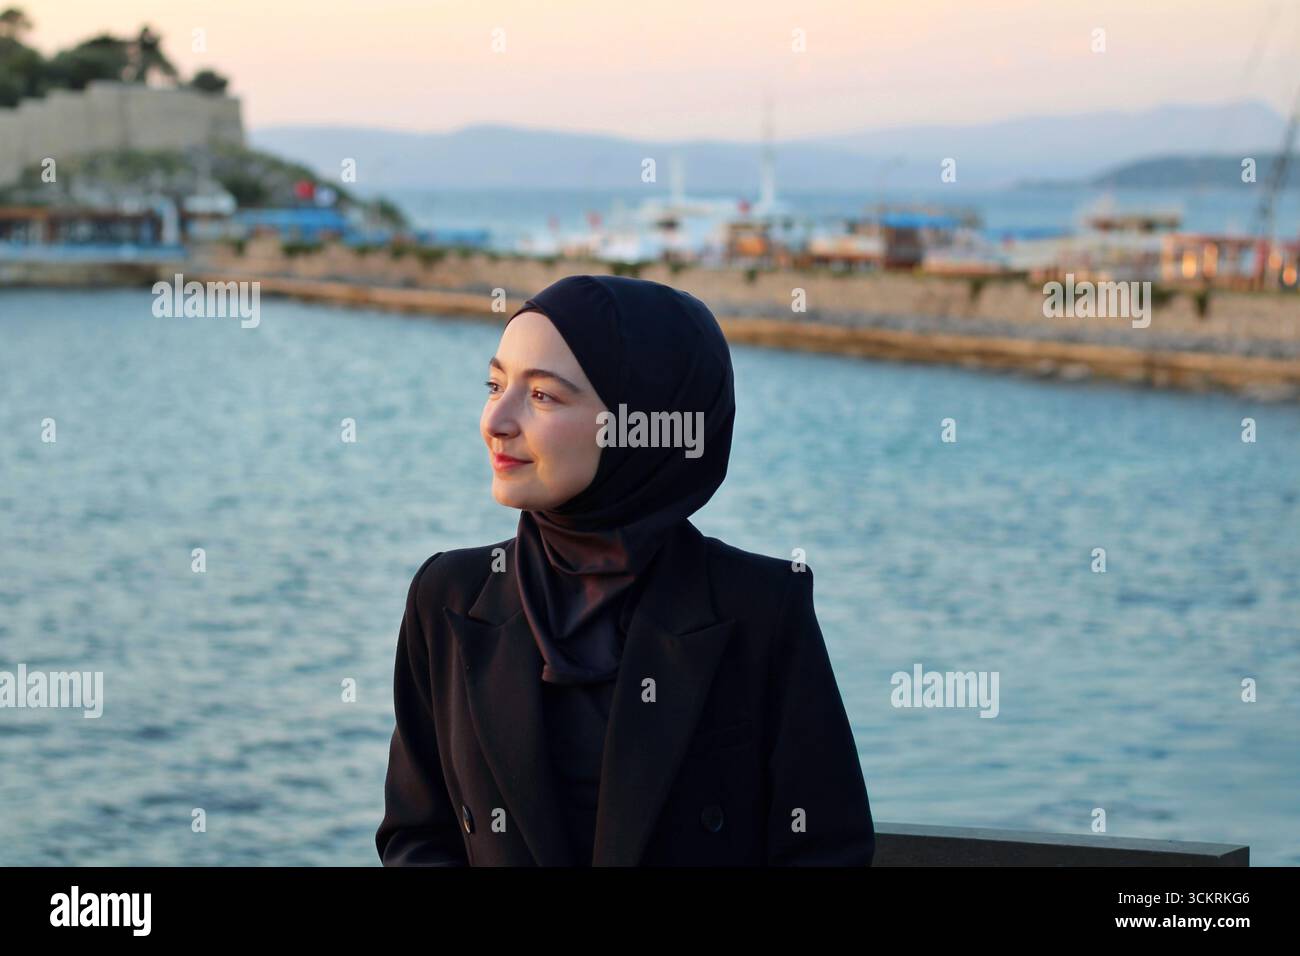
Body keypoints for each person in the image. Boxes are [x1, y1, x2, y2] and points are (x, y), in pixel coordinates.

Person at [376, 274, 875, 866]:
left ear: (643, 421)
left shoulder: (762, 608)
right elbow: (418, 835)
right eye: (495, 384)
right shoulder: (447, 597)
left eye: (542, 396)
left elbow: (822, 852)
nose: (495, 421)